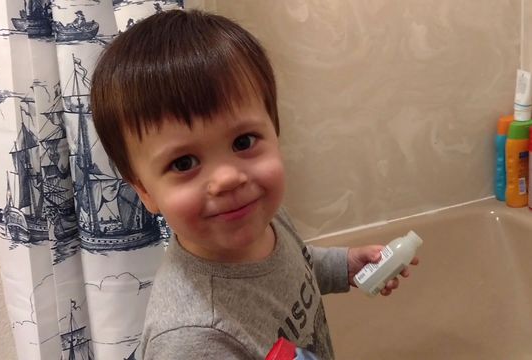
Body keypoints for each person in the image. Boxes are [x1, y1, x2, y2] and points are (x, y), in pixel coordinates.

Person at [90, 9, 418, 360]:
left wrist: (346, 265)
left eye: (243, 142)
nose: (228, 179)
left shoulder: (265, 219)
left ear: (275, 131)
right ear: (144, 191)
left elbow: (295, 266)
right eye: (184, 163)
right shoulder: (192, 339)